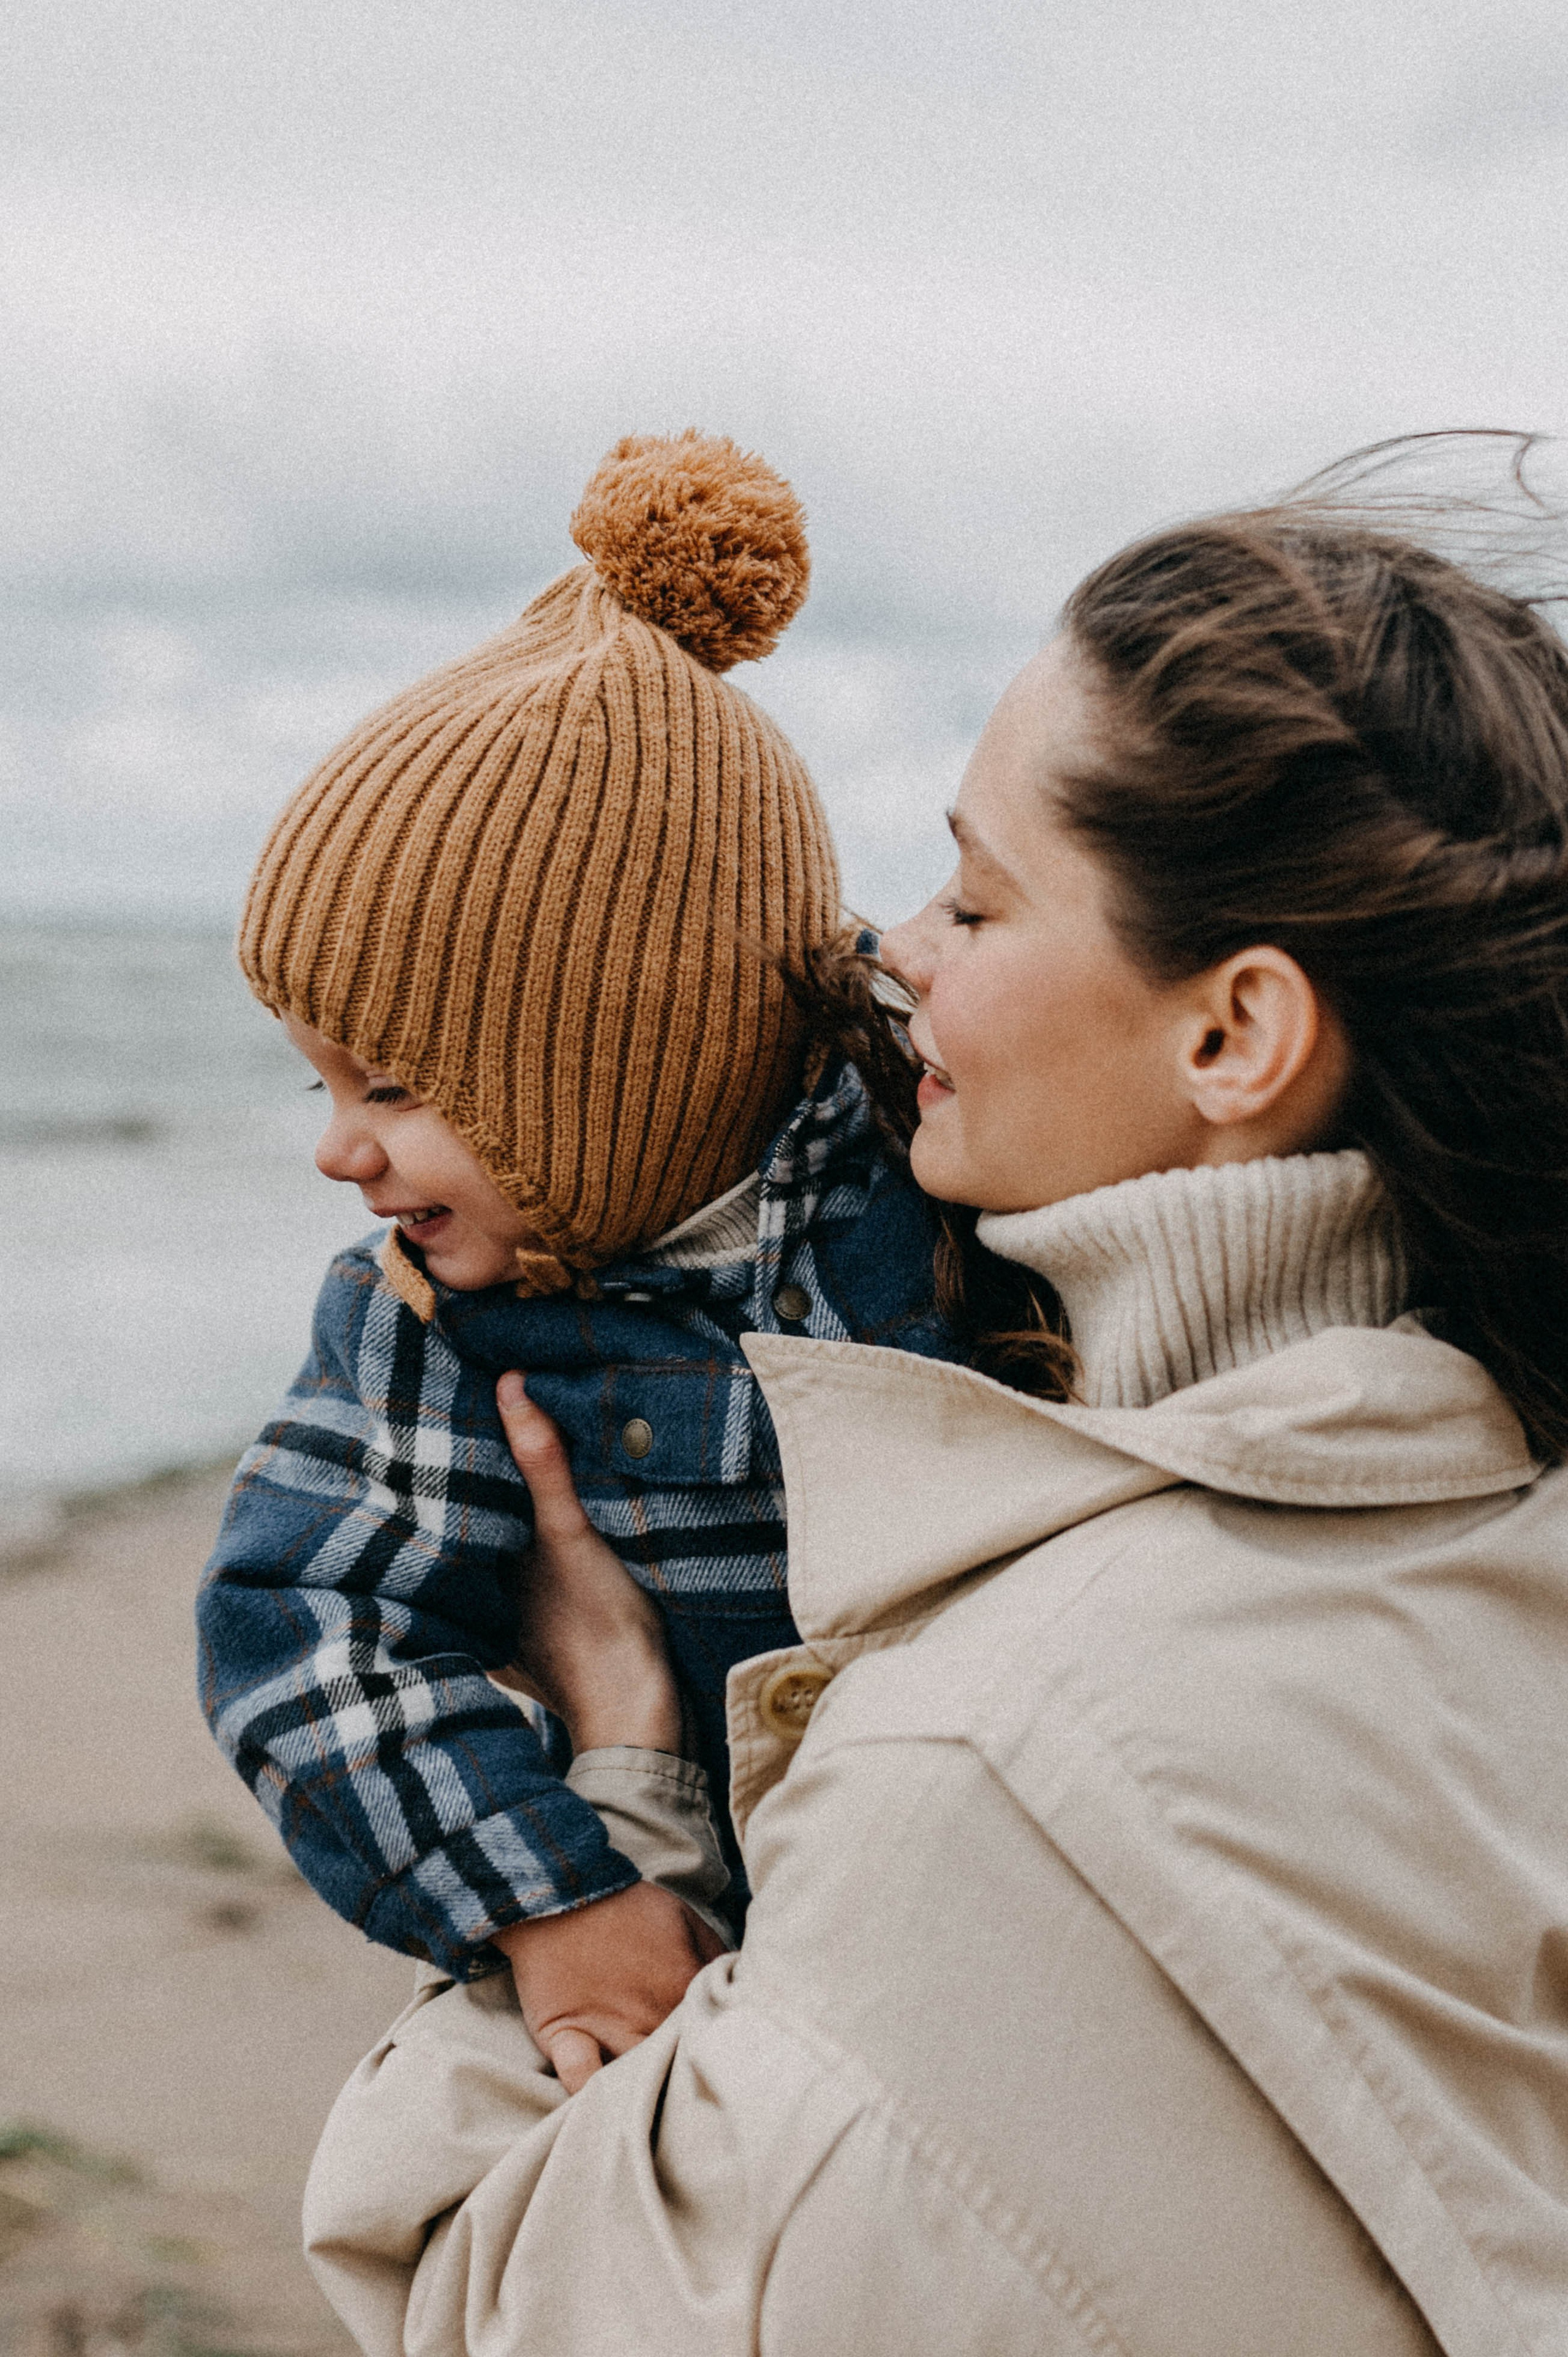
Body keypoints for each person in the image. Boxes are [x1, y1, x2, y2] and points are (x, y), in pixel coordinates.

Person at [304, 448, 1568, 2355]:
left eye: (977, 905)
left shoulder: (981, 1753)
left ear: (1233, 1034)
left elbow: (499, 2291)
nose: (890, 951)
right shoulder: (1508, 1531)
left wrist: (624, 1785)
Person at [195, 431, 965, 2083]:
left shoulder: (939, 1201)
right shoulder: (430, 1322)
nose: (340, 1147)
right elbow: (305, 1629)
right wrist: (552, 1898)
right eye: (317, 1081)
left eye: (395, 1086)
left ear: (629, 1050)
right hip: (692, 1948)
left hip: (960, 1927)